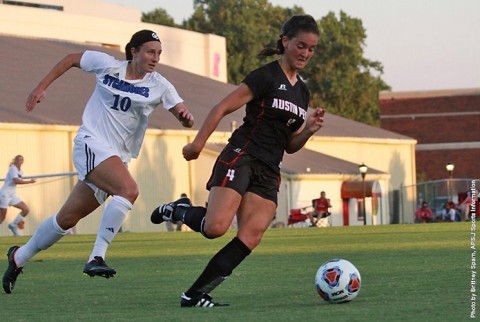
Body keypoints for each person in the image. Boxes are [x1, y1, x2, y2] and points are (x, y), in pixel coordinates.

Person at [2, 29, 194, 294]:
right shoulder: (107, 65)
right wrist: (41, 87)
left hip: (115, 159)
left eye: (159, 53)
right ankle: (96, 257)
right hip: (90, 144)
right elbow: (71, 58)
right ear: (133, 51)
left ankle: (18, 257)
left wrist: (185, 117)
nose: (155, 58)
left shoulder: (160, 84)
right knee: (129, 190)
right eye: (150, 51)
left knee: (65, 219)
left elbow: (181, 112)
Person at [151, 15, 324, 307]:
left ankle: (193, 295)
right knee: (215, 227)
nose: (306, 53)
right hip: (242, 156)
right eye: (301, 45)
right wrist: (197, 144)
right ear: (285, 42)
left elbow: (290, 146)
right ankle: (179, 210)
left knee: (251, 237)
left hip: (270, 169)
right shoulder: (266, 76)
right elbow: (221, 107)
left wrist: (307, 130)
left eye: (312, 49)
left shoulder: (302, 92)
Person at [0, 155, 36, 236]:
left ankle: (13, 225)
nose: (20, 161)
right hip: (5, 194)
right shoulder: (13, 168)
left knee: (25, 209)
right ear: (15, 160)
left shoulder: (20, 171)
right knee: (2, 216)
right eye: (18, 159)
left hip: (12, 195)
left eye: (21, 160)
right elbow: (16, 181)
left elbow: (19, 179)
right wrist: (30, 182)